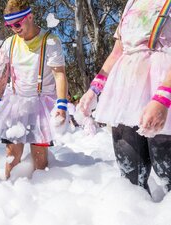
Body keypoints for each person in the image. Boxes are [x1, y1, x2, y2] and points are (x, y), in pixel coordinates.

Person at [78, 0, 171, 193]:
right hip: (124, 92)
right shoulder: (132, 3)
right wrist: (94, 90)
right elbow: (117, 53)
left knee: (167, 170)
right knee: (130, 175)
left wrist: (163, 98)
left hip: (162, 86)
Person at [0, 0, 68, 179]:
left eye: (17, 24)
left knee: (40, 161)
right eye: (9, 25)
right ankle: (8, 191)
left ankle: (39, 196)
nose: (14, 28)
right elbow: (2, 76)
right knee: (11, 157)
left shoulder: (50, 41)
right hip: (16, 104)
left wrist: (61, 105)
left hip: (41, 105)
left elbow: (59, 74)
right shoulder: (9, 43)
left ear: (29, 17)